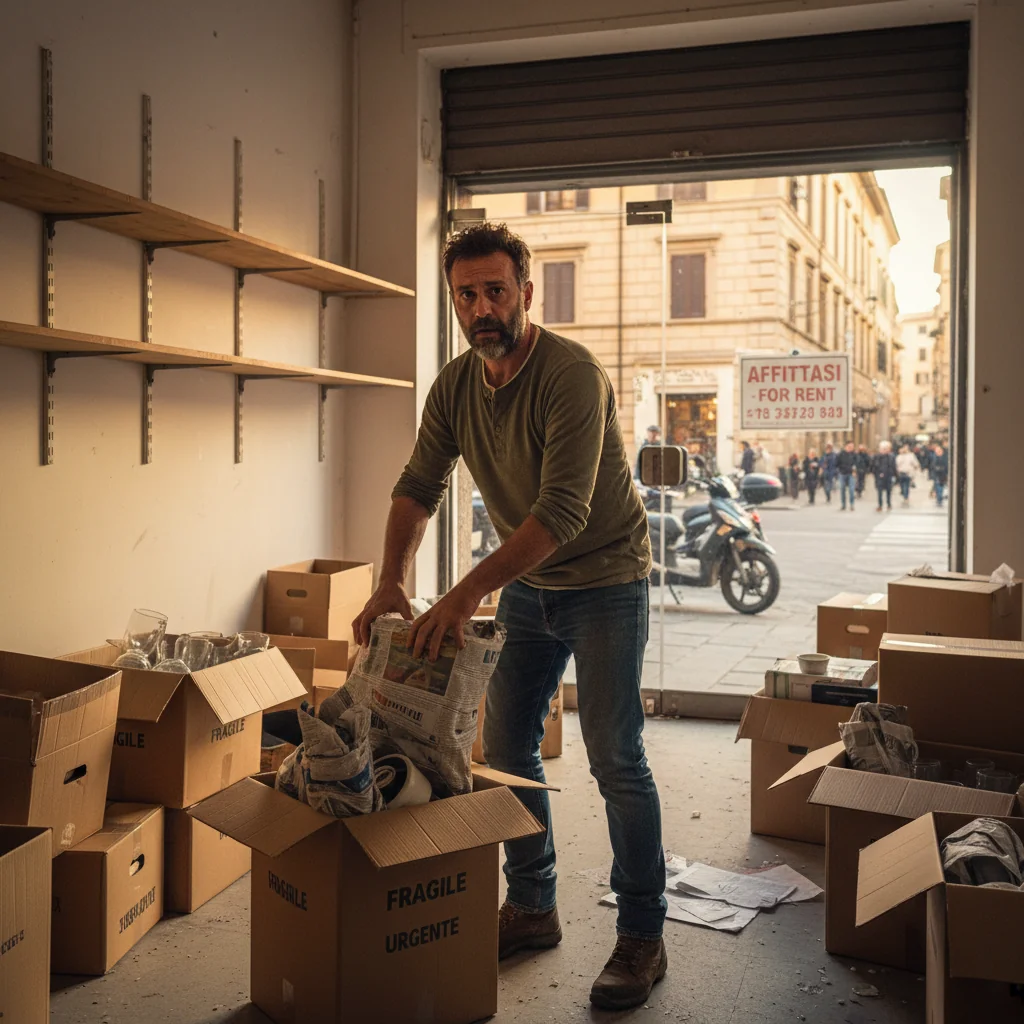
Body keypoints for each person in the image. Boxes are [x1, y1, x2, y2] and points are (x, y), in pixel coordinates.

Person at [352, 223, 667, 1010]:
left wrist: (462, 596)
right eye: (467, 294)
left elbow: (562, 513)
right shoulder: (457, 385)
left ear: (527, 292)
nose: (482, 307)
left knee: (614, 757)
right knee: (506, 747)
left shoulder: (572, 376)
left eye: (497, 290)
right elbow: (418, 484)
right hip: (532, 588)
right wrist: (391, 580)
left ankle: (642, 934)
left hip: (605, 581)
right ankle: (532, 907)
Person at [872, 441, 897, 512]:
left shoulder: (891, 457)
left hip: (888, 476)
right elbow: (873, 467)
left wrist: (895, 476)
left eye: (886, 448)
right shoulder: (876, 457)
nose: (885, 450)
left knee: (889, 491)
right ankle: (880, 505)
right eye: (883, 448)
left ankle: (889, 504)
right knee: (879, 492)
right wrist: (877, 474)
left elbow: (893, 467)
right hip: (879, 477)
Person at [836, 441, 857, 511]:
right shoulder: (840, 454)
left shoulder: (854, 454)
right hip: (842, 474)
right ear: (846, 446)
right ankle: (843, 504)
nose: (851, 448)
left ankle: (852, 504)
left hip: (851, 474)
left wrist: (855, 470)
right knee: (842, 489)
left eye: (852, 447)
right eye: (850, 447)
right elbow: (837, 463)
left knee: (851, 489)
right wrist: (839, 470)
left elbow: (857, 463)